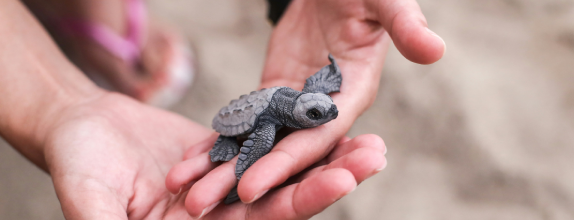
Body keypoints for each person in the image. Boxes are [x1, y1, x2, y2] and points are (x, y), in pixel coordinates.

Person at [0, 0, 444, 219]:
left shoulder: (310, 96)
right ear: (296, 114)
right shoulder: (270, 124)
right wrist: (55, 107)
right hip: (238, 120)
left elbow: (320, 94)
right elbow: (255, 147)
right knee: (233, 155)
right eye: (315, 114)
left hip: (266, 104)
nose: (324, 113)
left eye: (321, 108)